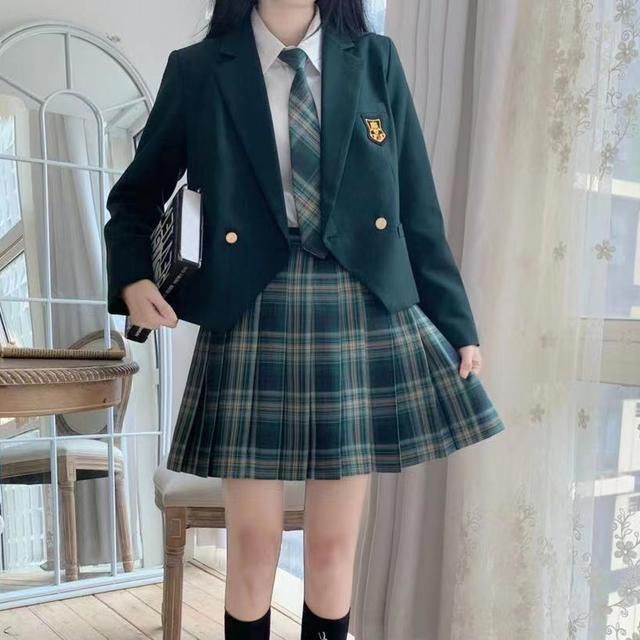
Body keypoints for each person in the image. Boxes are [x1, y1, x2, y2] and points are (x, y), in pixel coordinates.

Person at [103, 1, 506, 638]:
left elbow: (416, 203)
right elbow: (133, 199)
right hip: (249, 308)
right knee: (253, 546)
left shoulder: (374, 60)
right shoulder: (199, 69)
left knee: (331, 549)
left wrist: (456, 322)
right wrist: (132, 279)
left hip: (357, 308)